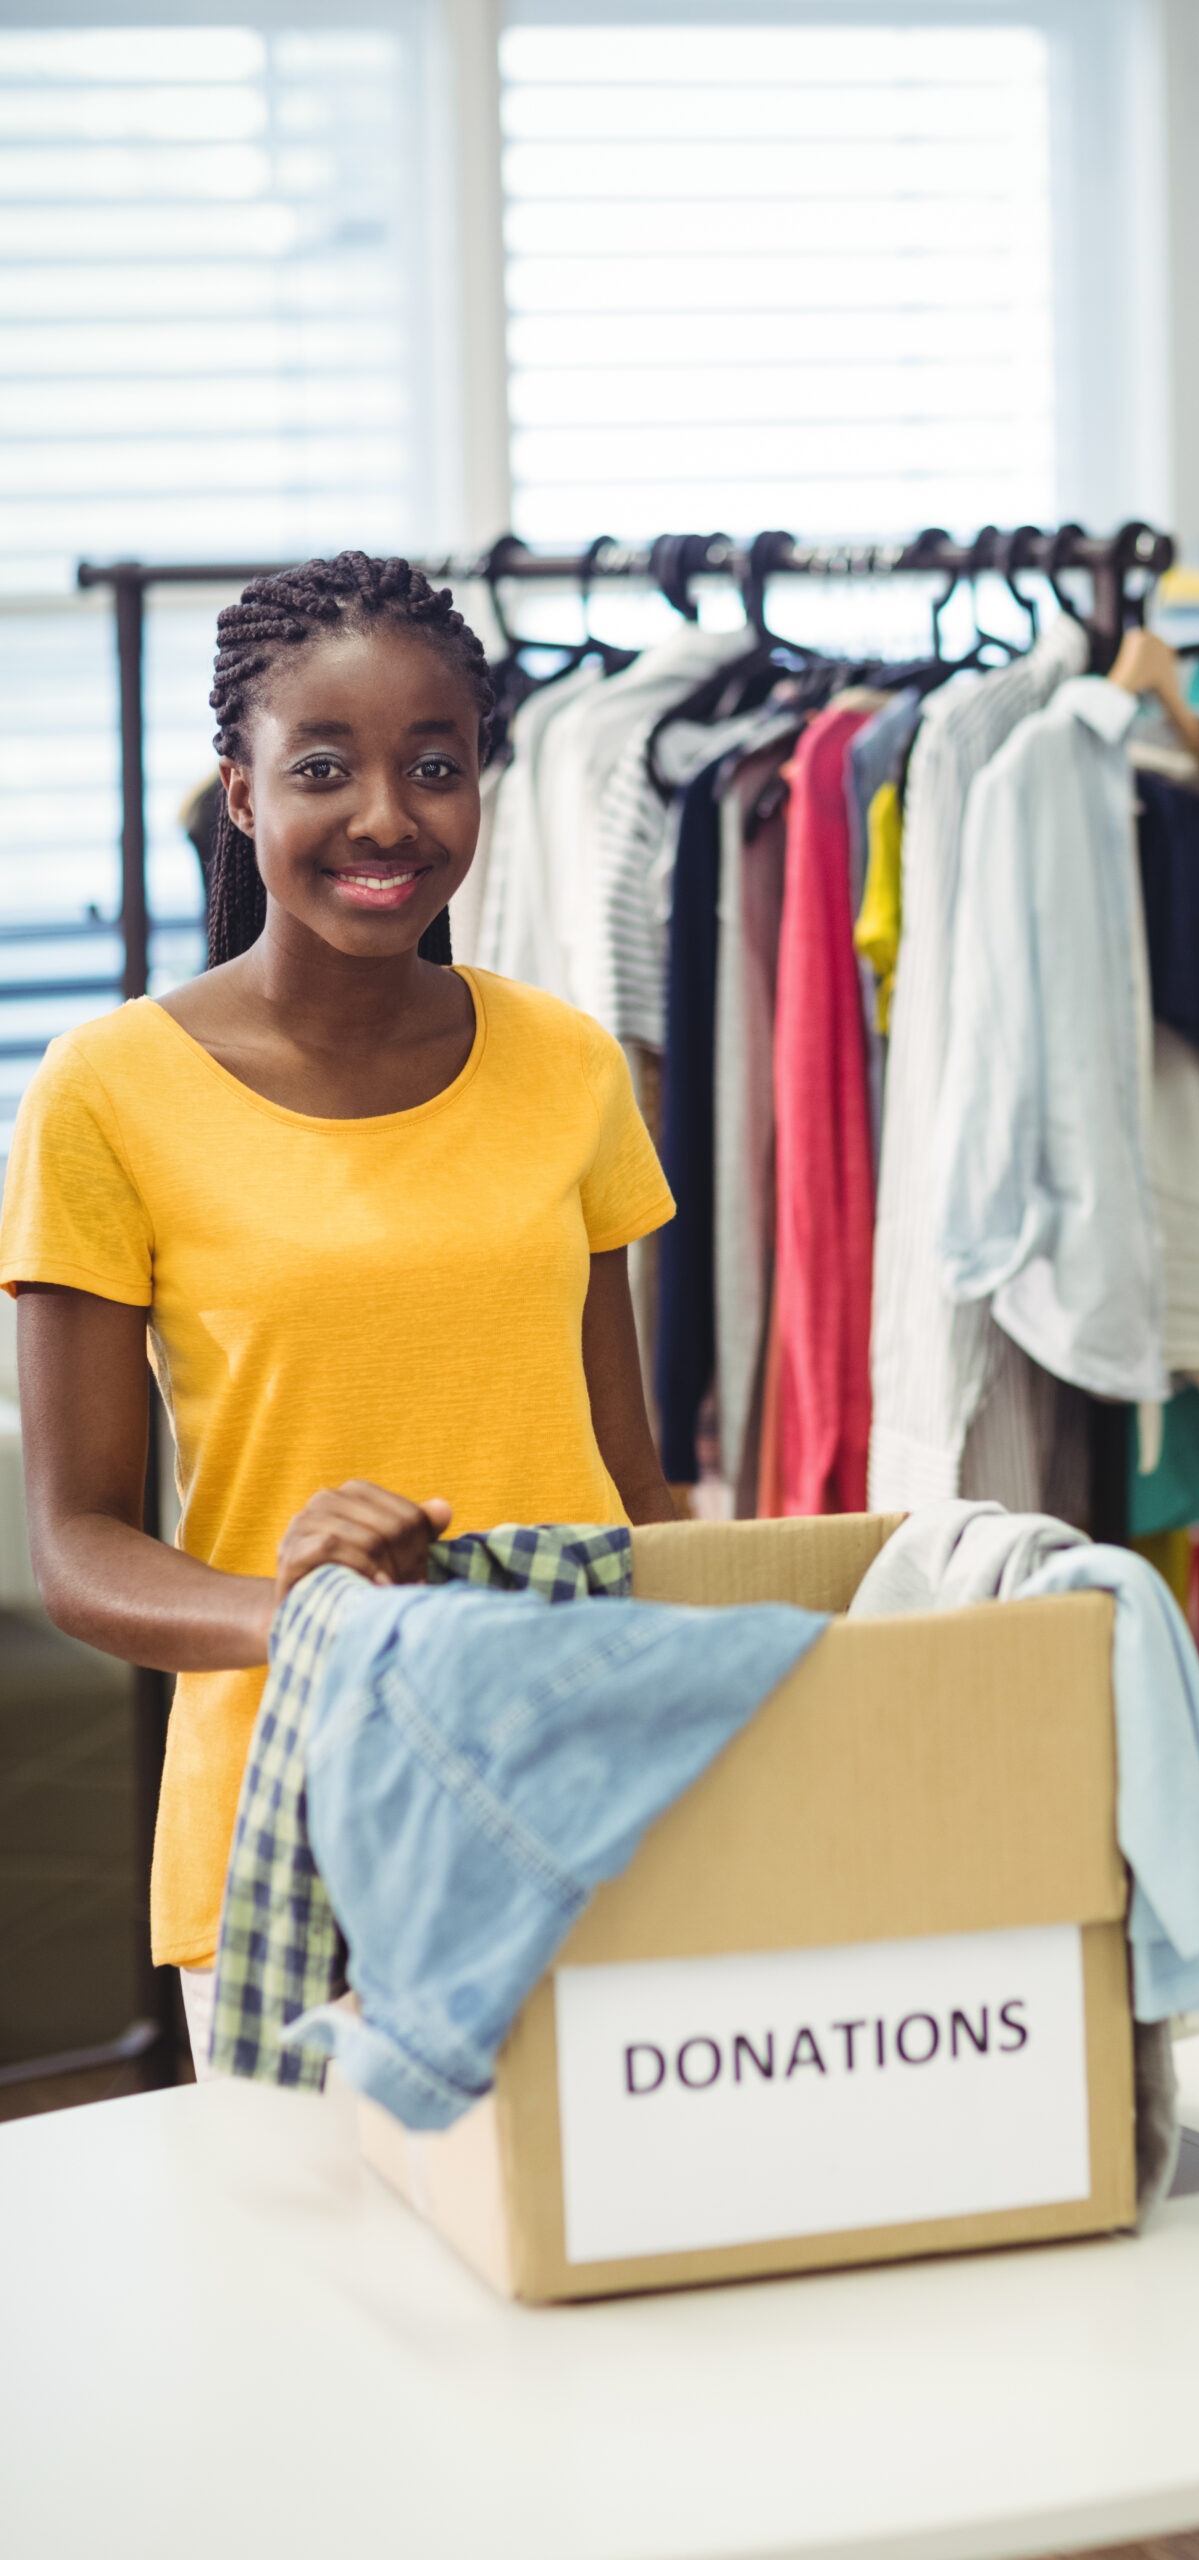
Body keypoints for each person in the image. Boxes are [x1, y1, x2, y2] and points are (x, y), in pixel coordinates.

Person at [0, 552, 680, 2058]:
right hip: (293, 1813)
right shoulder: (108, 1094)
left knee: (619, 2268)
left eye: (435, 767)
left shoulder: (569, 1067)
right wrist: (307, 1619)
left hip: (581, 1790)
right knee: (317, 2284)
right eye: (325, 768)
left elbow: (634, 1488)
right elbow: (80, 1551)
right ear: (240, 793)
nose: (387, 817)